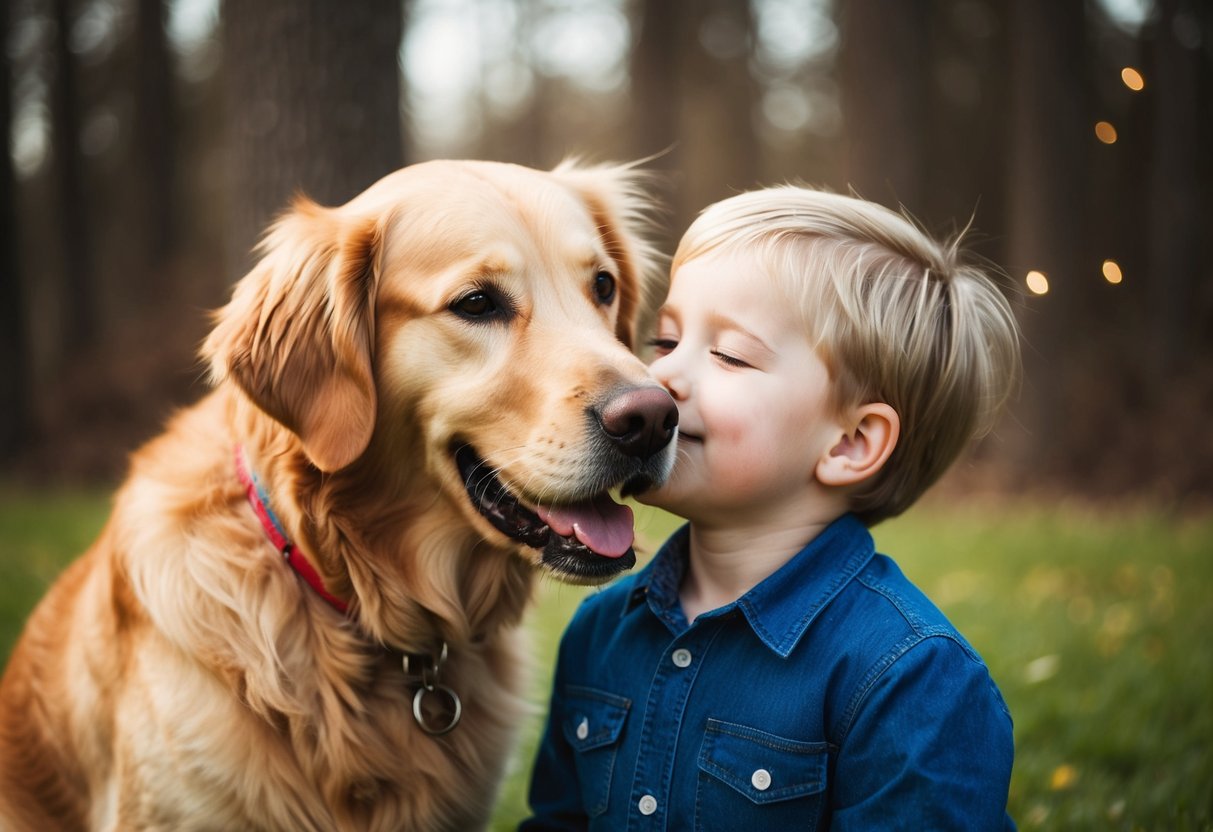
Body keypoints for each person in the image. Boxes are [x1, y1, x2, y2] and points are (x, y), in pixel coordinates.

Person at [521, 184, 1022, 831]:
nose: (657, 379)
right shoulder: (599, 632)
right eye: (665, 342)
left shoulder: (912, 679)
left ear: (849, 443)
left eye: (728, 355)